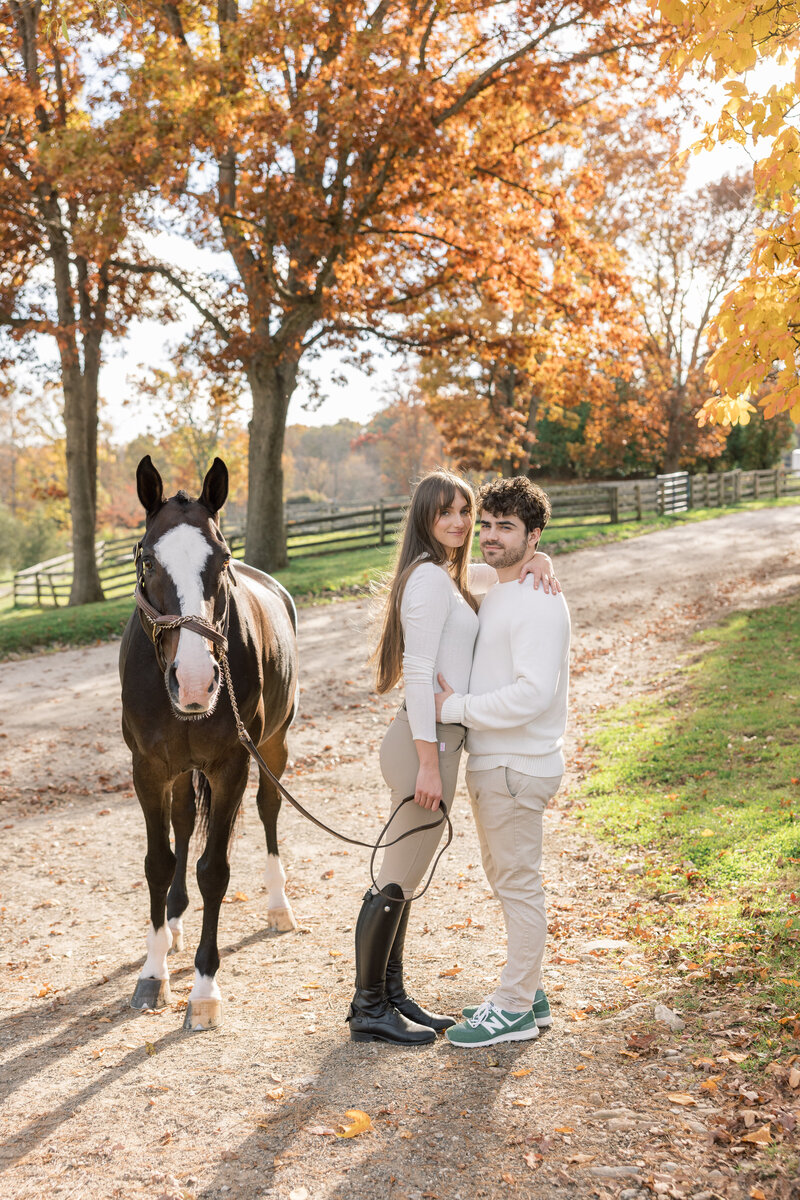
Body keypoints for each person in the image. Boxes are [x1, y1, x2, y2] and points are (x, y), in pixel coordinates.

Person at [345, 469, 560, 1046]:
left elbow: (504, 567)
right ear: (424, 518)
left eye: (468, 512)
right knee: (394, 878)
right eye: (449, 513)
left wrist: (540, 560)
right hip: (428, 741)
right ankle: (367, 1006)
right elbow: (418, 677)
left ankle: (392, 995)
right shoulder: (427, 581)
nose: (463, 524)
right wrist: (429, 762)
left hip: (440, 740)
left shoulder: (445, 574)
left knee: (408, 876)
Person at [434, 476, 570, 1047]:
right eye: (485, 524)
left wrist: (456, 707)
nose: (488, 535)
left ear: (532, 536)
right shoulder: (506, 592)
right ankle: (529, 991)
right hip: (500, 764)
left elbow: (534, 692)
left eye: (505, 527)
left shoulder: (537, 601)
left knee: (518, 886)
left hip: (517, 765)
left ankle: (513, 1005)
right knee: (507, 880)